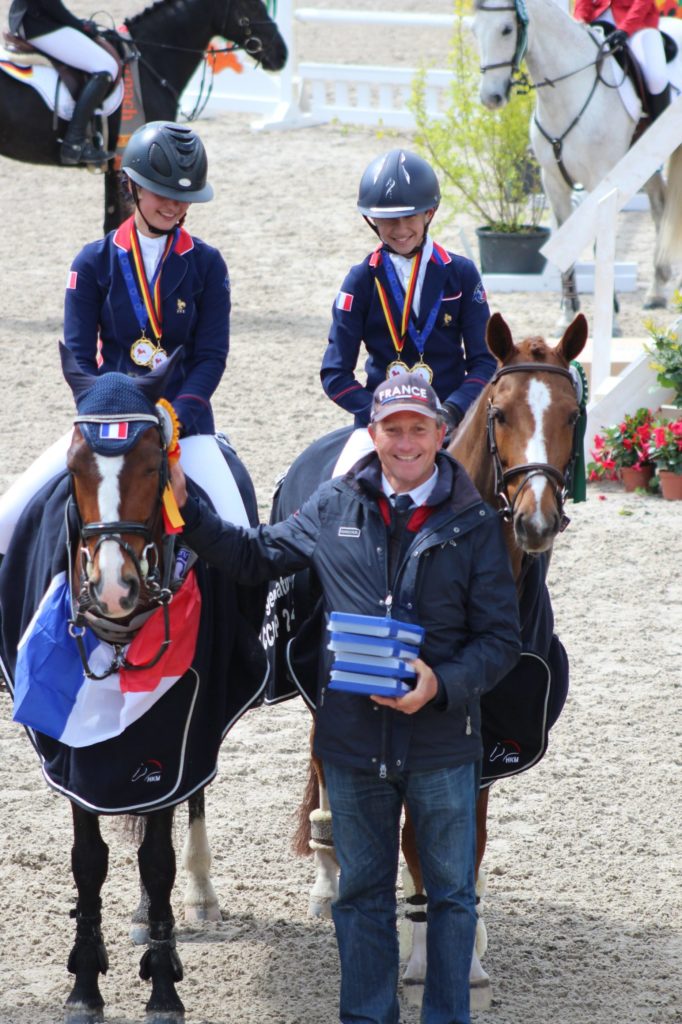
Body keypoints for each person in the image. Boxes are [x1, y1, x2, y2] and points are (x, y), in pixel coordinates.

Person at [170, 371, 522, 1024]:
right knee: (359, 896)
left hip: (443, 745)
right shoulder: (333, 505)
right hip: (353, 747)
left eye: (419, 428)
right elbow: (254, 557)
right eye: (394, 429)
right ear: (374, 434)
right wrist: (188, 512)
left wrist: (441, 685)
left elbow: (501, 639)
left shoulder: (473, 522)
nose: (407, 441)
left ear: (441, 435)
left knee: (450, 897)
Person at [0, 120, 249, 556]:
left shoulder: (208, 265)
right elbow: (79, 358)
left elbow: (211, 357)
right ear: (131, 185)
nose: (174, 206)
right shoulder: (93, 262)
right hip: (106, 429)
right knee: (8, 520)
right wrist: (105, 416)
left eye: (184, 197)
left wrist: (177, 418)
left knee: (241, 535)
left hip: (183, 431)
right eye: (162, 193)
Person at [321, 148, 497, 475]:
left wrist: (452, 410)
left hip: (450, 419)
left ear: (429, 213)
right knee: (339, 492)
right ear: (372, 220)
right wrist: (379, 413)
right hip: (382, 427)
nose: (400, 229)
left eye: (409, 217)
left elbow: (484, 361)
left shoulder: (461, 274)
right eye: (388, 219)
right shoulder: (360, 281)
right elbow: (335, 374)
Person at [8, 0, 119, 164]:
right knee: (106, 67)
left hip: (37, 18)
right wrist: (80, 26)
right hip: (38, 22)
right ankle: (74, 142)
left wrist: (78, 24)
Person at [574, 0, 670, 119]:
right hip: (597, 23)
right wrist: (579, 21)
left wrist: (625, 29)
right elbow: (583, 3)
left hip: (637, 23)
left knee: (656, 78)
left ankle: (660, 125)